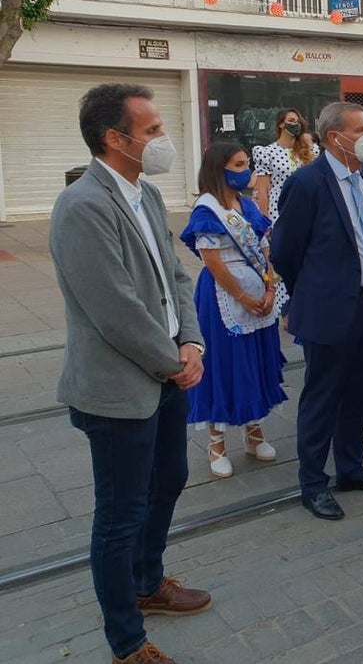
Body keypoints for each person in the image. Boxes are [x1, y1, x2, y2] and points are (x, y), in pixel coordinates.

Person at [51, 84, 209, 664]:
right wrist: (174, 361)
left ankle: (148, 583)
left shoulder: (142, 194)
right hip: (119, 390)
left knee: (167, 480)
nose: (163, 139)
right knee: (119, 515)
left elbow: (176, 277)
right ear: (116, 139)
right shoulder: (83, 206)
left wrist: (191, 341)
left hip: (168, 372)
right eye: (152, 130)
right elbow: (115, 310)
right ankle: (127, 640)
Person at [270, 101, 363, 521]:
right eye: (362, 128)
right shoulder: (307, 183)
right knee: (322, 396)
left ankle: (350, 468)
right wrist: (307, 295)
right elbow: (285, 252)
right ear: (335, 138)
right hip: (330, 308)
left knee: (357, 391)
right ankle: (313, 483)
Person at [179, 142, 285, 479]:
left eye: (246, 164)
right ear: (219, 169)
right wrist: (242, 294)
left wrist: (270, 287)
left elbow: (265, 249)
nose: (246, 171)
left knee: (253, 361)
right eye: (239, 165)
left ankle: (254, 434)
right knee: (224, 366)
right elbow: (212, 262)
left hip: (259, 293)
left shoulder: (248, 205)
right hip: (223, 298)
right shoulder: (207, 212)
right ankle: (217, 442)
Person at [252, 108, 319, 315]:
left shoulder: (309, 151)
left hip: (306, 209)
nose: (295, 124)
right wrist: (264, 222)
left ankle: (304, 301)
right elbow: (262, 190)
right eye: (291, 120)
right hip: (278, 210)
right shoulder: (267, 152)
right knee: (281, 258)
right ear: (281, 124)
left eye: (298, 120)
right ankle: (284, 308)